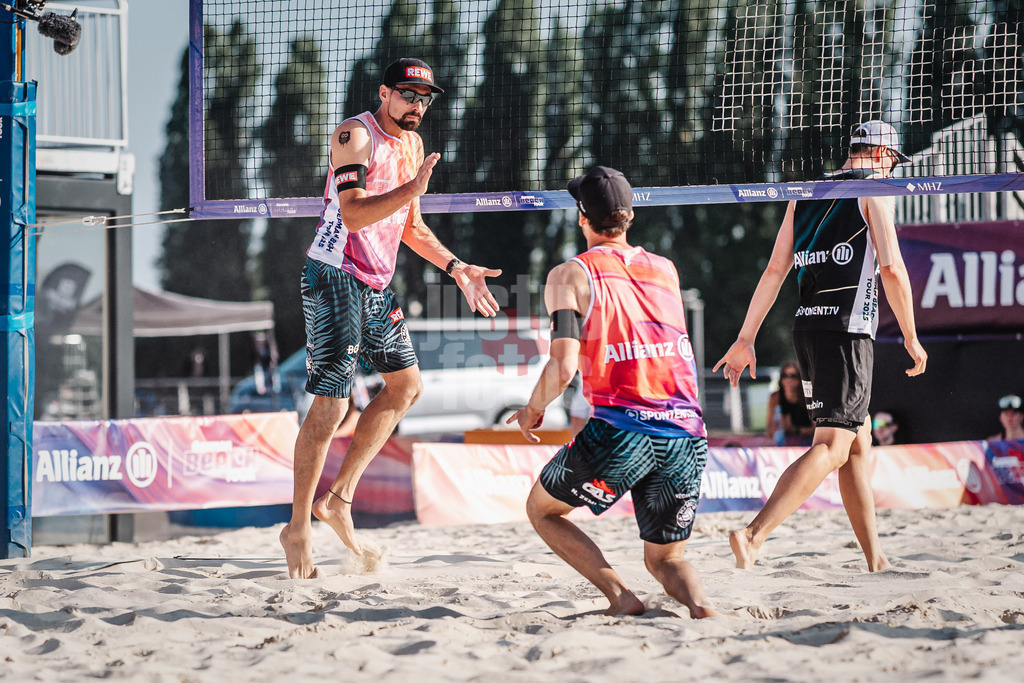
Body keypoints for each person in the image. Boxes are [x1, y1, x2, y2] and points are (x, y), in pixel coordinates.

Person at [280, 58, 502, 579]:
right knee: (332, 405)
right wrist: (411, 190)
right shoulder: (355, 135)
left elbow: (410, 225)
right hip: (334, 273)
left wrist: (456, 268)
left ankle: (339, 500)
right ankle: (297, 528)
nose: (417, 105)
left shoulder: (413, 146)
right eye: (407, 94)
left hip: (375, 284)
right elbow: (354, 213)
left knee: (407, 387)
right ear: (384, 93)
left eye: (424, 98)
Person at [713, 120, 928, 572]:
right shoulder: (874, 191)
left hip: (807, 329)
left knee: (856, 443)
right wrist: (910, 335)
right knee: (832, 446)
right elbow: (892, 269)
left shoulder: (805, 192)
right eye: (893, 162)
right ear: (883, 154)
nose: (893, 171)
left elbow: (775, 270)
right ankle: (752, 535)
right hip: (846, 331)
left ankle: (876, 559)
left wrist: (746, 337)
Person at [508, 166, 716, 618]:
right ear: (630, 216)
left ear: (581, 217)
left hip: (622, 430)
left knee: (542, 510)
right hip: (686, 432)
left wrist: (531, 409)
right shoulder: (666, 269)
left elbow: (563, 366)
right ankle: (703, 608)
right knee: (666, 559)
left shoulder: (569, 275)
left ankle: (621, 598)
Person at [766, 361, 814, 446]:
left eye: (793, 376)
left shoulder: (808, 396)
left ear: (800, 378)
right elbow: (770, 429)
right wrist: (779, 428)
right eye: (785, 376)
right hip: (784, 440)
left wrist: (795, 430)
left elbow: (816, 429)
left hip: (807, 440)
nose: (788, 380)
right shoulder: (775, 397)